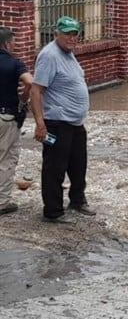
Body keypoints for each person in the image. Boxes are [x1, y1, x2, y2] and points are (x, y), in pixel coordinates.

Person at [29, 16, 95, 224]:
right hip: (56, 123)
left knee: (78, 164)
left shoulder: (68, 53)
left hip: (74, 123)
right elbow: (36, 90)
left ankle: (77, 200)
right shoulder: (49, 55)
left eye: (75, 34)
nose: (72, 38)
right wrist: (40, 123)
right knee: (54, 168)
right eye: (67, 34)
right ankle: (53, 211)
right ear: (56, 33)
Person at [0, 27, 33, 216]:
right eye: (13, 43)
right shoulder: (14, 64)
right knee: (6, 159)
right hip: (7, 117)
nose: (15, 46)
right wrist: (24, 98)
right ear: (6, 44)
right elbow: (29, 81)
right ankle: (2, 202)